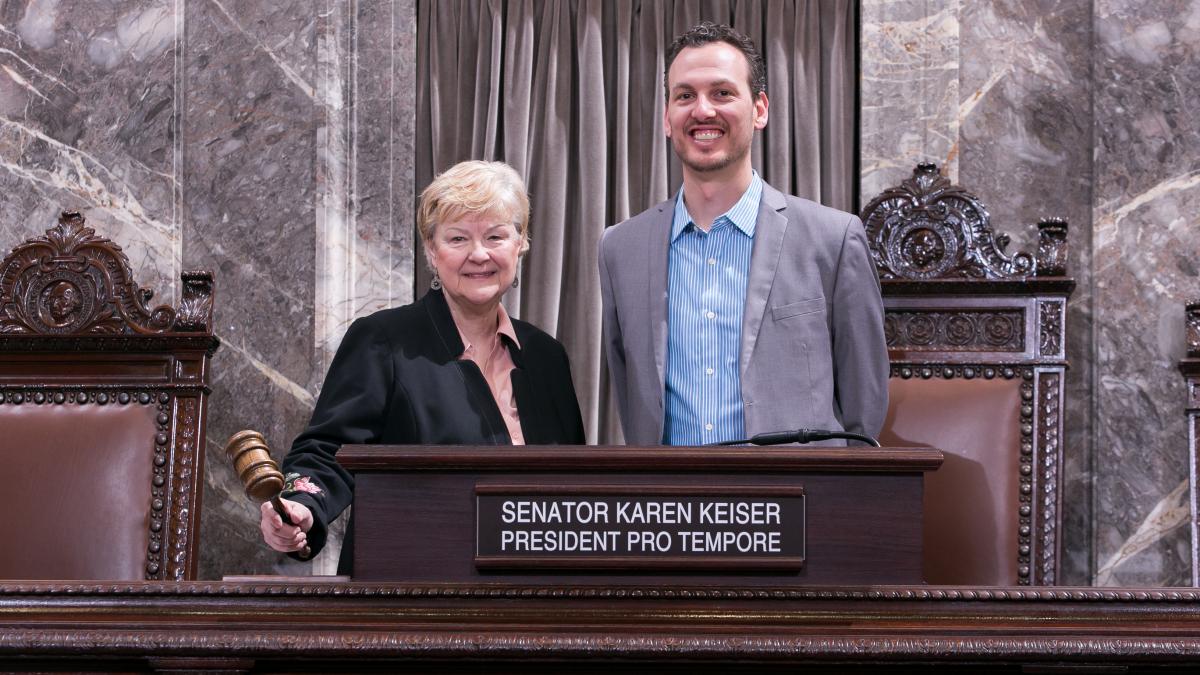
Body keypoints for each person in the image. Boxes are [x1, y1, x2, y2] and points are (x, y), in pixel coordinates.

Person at [261, 160, 586, 572]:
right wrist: (304, 507)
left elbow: (572, 483)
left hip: (533, 600)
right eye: (457, 238)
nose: (479, 254)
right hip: (408, 598)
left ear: (521, 242)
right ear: (432, 251)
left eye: (495, 236)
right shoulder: (383, 341)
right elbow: (327, 451)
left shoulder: (547, 357)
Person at [598, 22, 888, 446]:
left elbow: (864, 412)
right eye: (685, 96)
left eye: (722, 93)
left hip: (799, 502)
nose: (702, 111)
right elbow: (632, 399)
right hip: (673, 503)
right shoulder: (619, 249)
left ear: (760, 109)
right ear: (666, 118)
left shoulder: (834, 239)